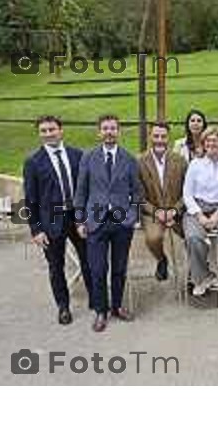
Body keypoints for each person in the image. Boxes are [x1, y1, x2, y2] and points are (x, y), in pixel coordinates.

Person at [74, 114, 143, 332]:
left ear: (119, 131)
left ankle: (117, 306)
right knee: (97, 268)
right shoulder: (88, 158)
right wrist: (79, 220)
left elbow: (138, 192)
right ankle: (100, 311)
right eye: (105, 128)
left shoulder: (129, 159)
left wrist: (132, 216)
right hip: (96, 222)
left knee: (119, 268)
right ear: (99, 132)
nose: (109, 132)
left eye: (113, 128)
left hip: (122, 223)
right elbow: (81, 191)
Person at [23, 115, 93, 325]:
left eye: (51, 129)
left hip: (77, 217)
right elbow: (30, 199)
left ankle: (96, 300)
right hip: (51, 220)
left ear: (61, 130)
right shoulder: (33, 162)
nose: (48, 134)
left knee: (88, 260)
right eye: (43, 131)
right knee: (56, 266)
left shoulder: (77, 155)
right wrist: (36, 229)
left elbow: (86, 189)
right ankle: (63, 307)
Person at [182, 126, 218, 296]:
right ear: (203, 143)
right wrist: (199, 214)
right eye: (207, 140)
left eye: (214, 140)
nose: (211, 143)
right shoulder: (195, 164)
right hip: (197, 207)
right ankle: (202, 276)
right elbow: (187, 194)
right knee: (193, 238)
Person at [138, 122, 187, 281]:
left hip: (177, 211)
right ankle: (161, 260)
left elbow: (188, 191)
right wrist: (156, 212)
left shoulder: (180, 160)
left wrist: (175, 210)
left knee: (195, 236)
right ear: (150, 137)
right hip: (152, 212)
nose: (159, 140)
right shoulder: (139, 161)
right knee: (153, 238)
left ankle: (197, 271)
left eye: (163, 136)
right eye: (156, 136)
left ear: (168, 138)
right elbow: (137, 195)